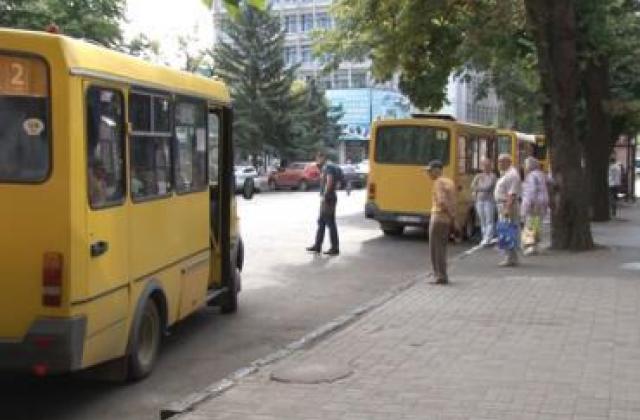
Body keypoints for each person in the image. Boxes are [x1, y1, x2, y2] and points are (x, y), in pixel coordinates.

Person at [424, 160, 456, 285]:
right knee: (442, 248)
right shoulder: (449, 182)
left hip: (438, 218)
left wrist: (450, 214)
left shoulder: (438, 183)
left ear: (437, 170)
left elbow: (442, 202)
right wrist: (453, 217)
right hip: (446, 220)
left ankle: (440, 276)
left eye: (430, 171)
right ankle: (442, 275)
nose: (428, 174)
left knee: (435, 249)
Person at [306, 151, 340, 256]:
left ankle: (335, 248)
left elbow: (329, 181)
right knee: (321, 222)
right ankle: (317, 245)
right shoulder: (330, 166)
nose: (317, 161)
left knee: (330, 223)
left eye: (318, 158)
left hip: (328, 198)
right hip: (329, 198)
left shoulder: (328, 167)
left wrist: (325, 195)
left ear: (323, 157)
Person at [495, 153, 522, 267]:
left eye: (501, 161)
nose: (499, 164)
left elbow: (512, 194)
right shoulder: (506, 173)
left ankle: (510, 258)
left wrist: (507, 209)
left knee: (508, 231)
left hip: (507, 205)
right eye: (499, 161)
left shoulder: (512, 175)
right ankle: (511, 257)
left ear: (507, 162)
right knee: (506, 231)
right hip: (503, 205)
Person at [521, 157, 549, 256]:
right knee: (536, 224)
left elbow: (531, 191)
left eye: (525, 165)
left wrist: (529, 205)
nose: (524, 167)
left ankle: (530, 246)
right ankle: (535, 246)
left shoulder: (531, 176)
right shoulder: (542, 174)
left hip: (534, 204)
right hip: (542, 203)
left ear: (530, 166)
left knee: (529, 224)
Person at [470, 157, 497, 246]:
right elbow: (472, 186)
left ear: (491, 166)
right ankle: (485, 237)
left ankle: (488, 238)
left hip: (489, 201)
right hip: (479, 200)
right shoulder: (478, 176)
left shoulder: (493, 176)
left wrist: (478, 189)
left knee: (489, 219)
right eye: (484, 165)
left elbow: (488, 187)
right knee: (482, 220)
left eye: (488, 165)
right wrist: (477, 189)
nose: (486, 167)